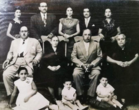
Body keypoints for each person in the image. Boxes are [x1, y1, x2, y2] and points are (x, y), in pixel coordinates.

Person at [3, 26, 42, 97]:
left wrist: (36, 60)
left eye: (25, 31)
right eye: (22, 31)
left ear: (28, 32)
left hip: (28, 63)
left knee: (29, 75)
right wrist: (8, 59)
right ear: (19, 33)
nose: (24, 33)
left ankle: (27, 95)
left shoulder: (34, 41)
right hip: (15, 62)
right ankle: (12, 95)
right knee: (6, 74)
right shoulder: (14, 42)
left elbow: (40, 52)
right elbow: (10, 52)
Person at [71, 29, 102, 102]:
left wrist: (92, 64)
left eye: (89, 34)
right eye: (85, 34)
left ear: (91, 36)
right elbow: (73, 57)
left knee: (96, 73)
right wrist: (81, 65)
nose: (87, 36)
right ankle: (80, 94)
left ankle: (90, 95)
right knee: (76, 74)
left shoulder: (96, 44)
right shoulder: (77, 44)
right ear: (82, 35)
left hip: (93, 65)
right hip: (81, 65)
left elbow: (99, 56)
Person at [107, 34, 139, 104]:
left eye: (122, 39)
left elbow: (137, 55)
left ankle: (128, 98)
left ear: (125, 40)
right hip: (116, 67)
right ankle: (120, 97)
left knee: (130, 74)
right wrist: (117, 62)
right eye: (119, 39)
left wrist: (130, 62)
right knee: (118, 75)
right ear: (116, 41)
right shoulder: (113, 47)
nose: (121, 41)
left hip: (128, 66)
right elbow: (107, 58)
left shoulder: (130, 47)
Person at [39, 36, 66, 100]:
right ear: (51, 42)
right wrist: (50, 67)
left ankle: (60, 96)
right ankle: (53, 97)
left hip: (58, 68)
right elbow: (43, 61)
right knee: (50, 76)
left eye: (57, 41)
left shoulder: (60, 50)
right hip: (50, 68)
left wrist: (58, 66)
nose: (55, 42)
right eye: (54, 40)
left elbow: (64, 60)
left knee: (60, 75)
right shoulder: (47, 50)